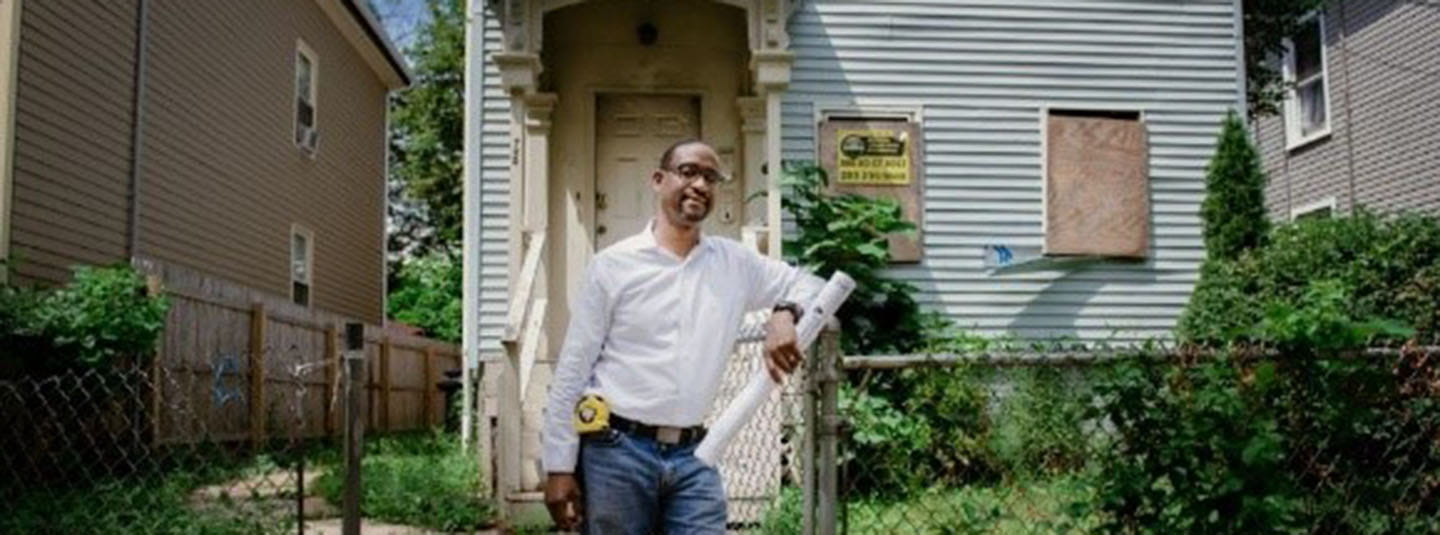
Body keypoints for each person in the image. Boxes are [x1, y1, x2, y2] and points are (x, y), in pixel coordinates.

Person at [541, 139, 823, 534]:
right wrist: (558, 465)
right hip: (616, 451)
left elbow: (811, 285)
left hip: (695, 455)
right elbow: (574, 368)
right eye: (688, 172)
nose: (700, 185)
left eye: (711, 177)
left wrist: (784, 311)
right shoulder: (612, 266)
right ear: (659, 180)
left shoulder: (734, 263)